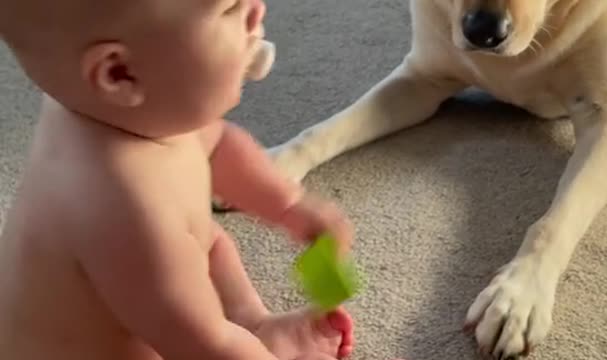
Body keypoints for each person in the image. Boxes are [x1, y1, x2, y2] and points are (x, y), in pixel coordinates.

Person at [0, 0, 358, 359]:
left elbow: (216, 143)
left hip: (159, 293)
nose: (257, 11)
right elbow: (206, 346)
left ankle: (253, 323)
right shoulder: (124, 212)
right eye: (230, 8)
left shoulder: (134, 112)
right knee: (185, 280)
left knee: (212, 246)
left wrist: (287, 205)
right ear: (120, 73)